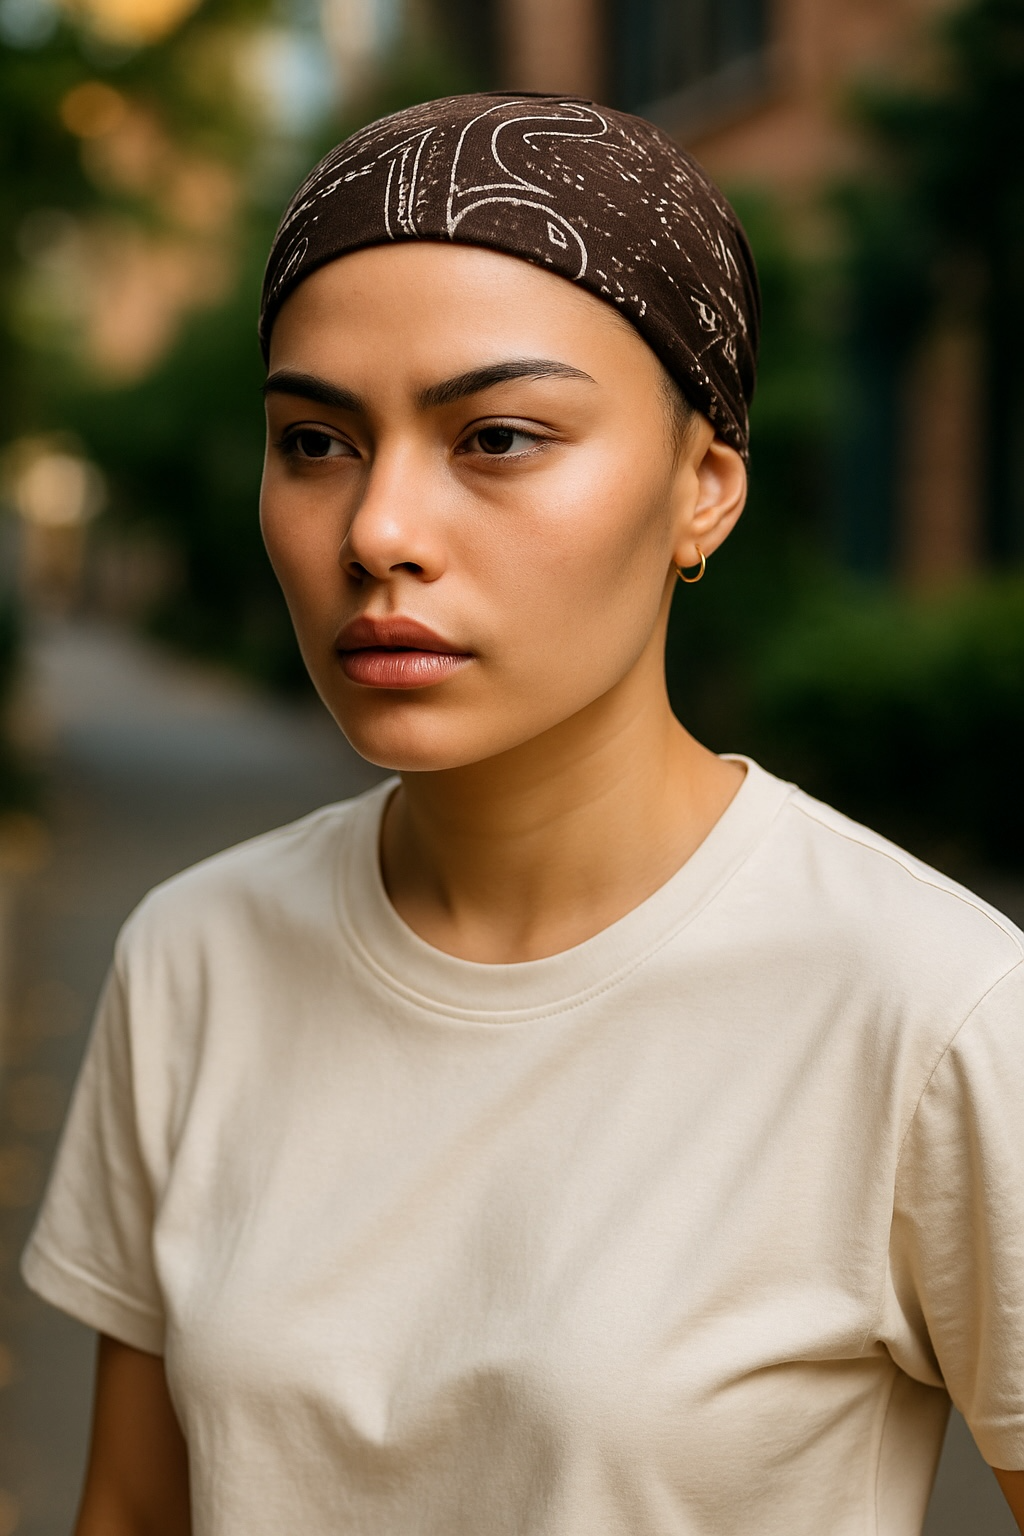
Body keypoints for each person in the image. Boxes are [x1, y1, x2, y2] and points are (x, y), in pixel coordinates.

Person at [21, 93, 1024, 1536]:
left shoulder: (930, 1009)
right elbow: (131, 1509)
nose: (378, 532)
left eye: (495, 436)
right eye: (315, 442)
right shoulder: (195, 955)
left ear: (703, 491)